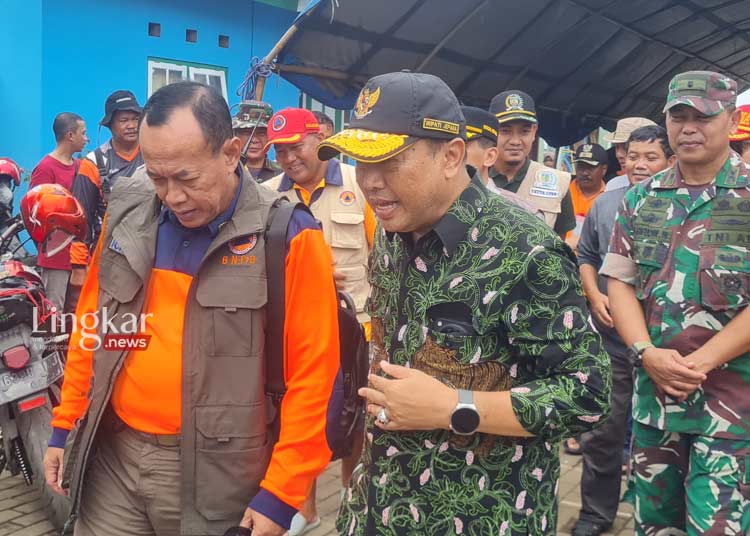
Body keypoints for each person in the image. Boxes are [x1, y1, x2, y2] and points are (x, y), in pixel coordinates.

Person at [316, 71, 611, 535]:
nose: (370, 183)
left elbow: (588, 395)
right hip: (381, 503)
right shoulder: (395, 231)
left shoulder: (526, 250)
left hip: (479, 513)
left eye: (389, 162)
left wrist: (456, 406)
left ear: (451, 155)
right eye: (360, 163)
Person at [42, 81, 340, 536]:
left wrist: (281, 494)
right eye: (157, 176)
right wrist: (66, 424)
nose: (171, 196)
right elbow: (98, 328)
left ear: (230, 152)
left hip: (220, 478)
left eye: (186, 178)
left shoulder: (286, 234)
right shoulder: (129, 213)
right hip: (114, 458)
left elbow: (315, 375)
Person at [602, 70, 750, 535]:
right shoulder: (641, 198)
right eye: (678, 117)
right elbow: (621, 282)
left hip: (731, 411)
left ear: (730, 120)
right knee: (655, 526)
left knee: (716, 527)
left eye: (702, 117)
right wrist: (646, 352)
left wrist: (699, 362)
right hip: (655, 403)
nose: (688, 128)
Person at [263, 107, 374, 536]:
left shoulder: (358, 184)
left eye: (297, 146)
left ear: (321, 136)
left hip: (357, 330)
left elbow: (382, 254)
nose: (289, 158)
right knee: (297, 418)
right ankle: (304, 509)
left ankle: (351, 496)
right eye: (281, 151)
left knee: (358, 419)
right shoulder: (271, 195)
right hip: (296, 332)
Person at [572, 125, 675, 536]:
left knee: (661, 438)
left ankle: (657, 518)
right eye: (633, 156)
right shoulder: (605, 205)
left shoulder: (680, 205)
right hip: (611, 340)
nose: (639, 165)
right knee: (602, 434)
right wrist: (594, 295)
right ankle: (595, 517)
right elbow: (585, 255)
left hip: (664, 344)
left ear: (668, 161)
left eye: (651, 157)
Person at [70, 90, 145, 281]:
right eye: (124, 120)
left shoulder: (154, 154)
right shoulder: (94, 162)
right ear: (110, 125)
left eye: (135, 119)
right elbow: (81, 218)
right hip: (111, 255)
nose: (131, 125)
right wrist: (79, 265)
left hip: (151, 251)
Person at [489, 90, 575, 236]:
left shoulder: (557, 183)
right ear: (491, 131)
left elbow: (559, 244)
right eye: (505, 131)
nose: (515, 141)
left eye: (524, 132)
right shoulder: (470, 179)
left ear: (534, 132)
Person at [30, 112, 89, 312]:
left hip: (80, 255)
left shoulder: (81, 167)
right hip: (56, 257)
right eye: (83, 133)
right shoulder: (45, 168)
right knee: (55, 313)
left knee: (80, 311)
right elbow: (35, 214)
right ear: (70, 136)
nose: (87, 138)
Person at [461, 105, 542, 217]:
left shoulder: (523, 215)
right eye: (442, 148)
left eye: (462, 147)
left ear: (489, 156)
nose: (515, 141)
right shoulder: (432, 206)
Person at [566, 143, 608, 252]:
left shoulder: (609, 197)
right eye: (581, 167)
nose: (584, 173)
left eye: (590, 167)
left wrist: (577, 241)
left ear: (603, 169)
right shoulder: (562, 190)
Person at [233, 99, 281, 183]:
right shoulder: (226, 171)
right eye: (247, 133)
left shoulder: (283, 175)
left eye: (261, 134)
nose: (254, 140)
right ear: (236, 135)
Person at [604, 117, 657, 191]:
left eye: (626, 147)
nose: (619, 155)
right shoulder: (614, 186)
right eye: (616, 147)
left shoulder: (673, 189)